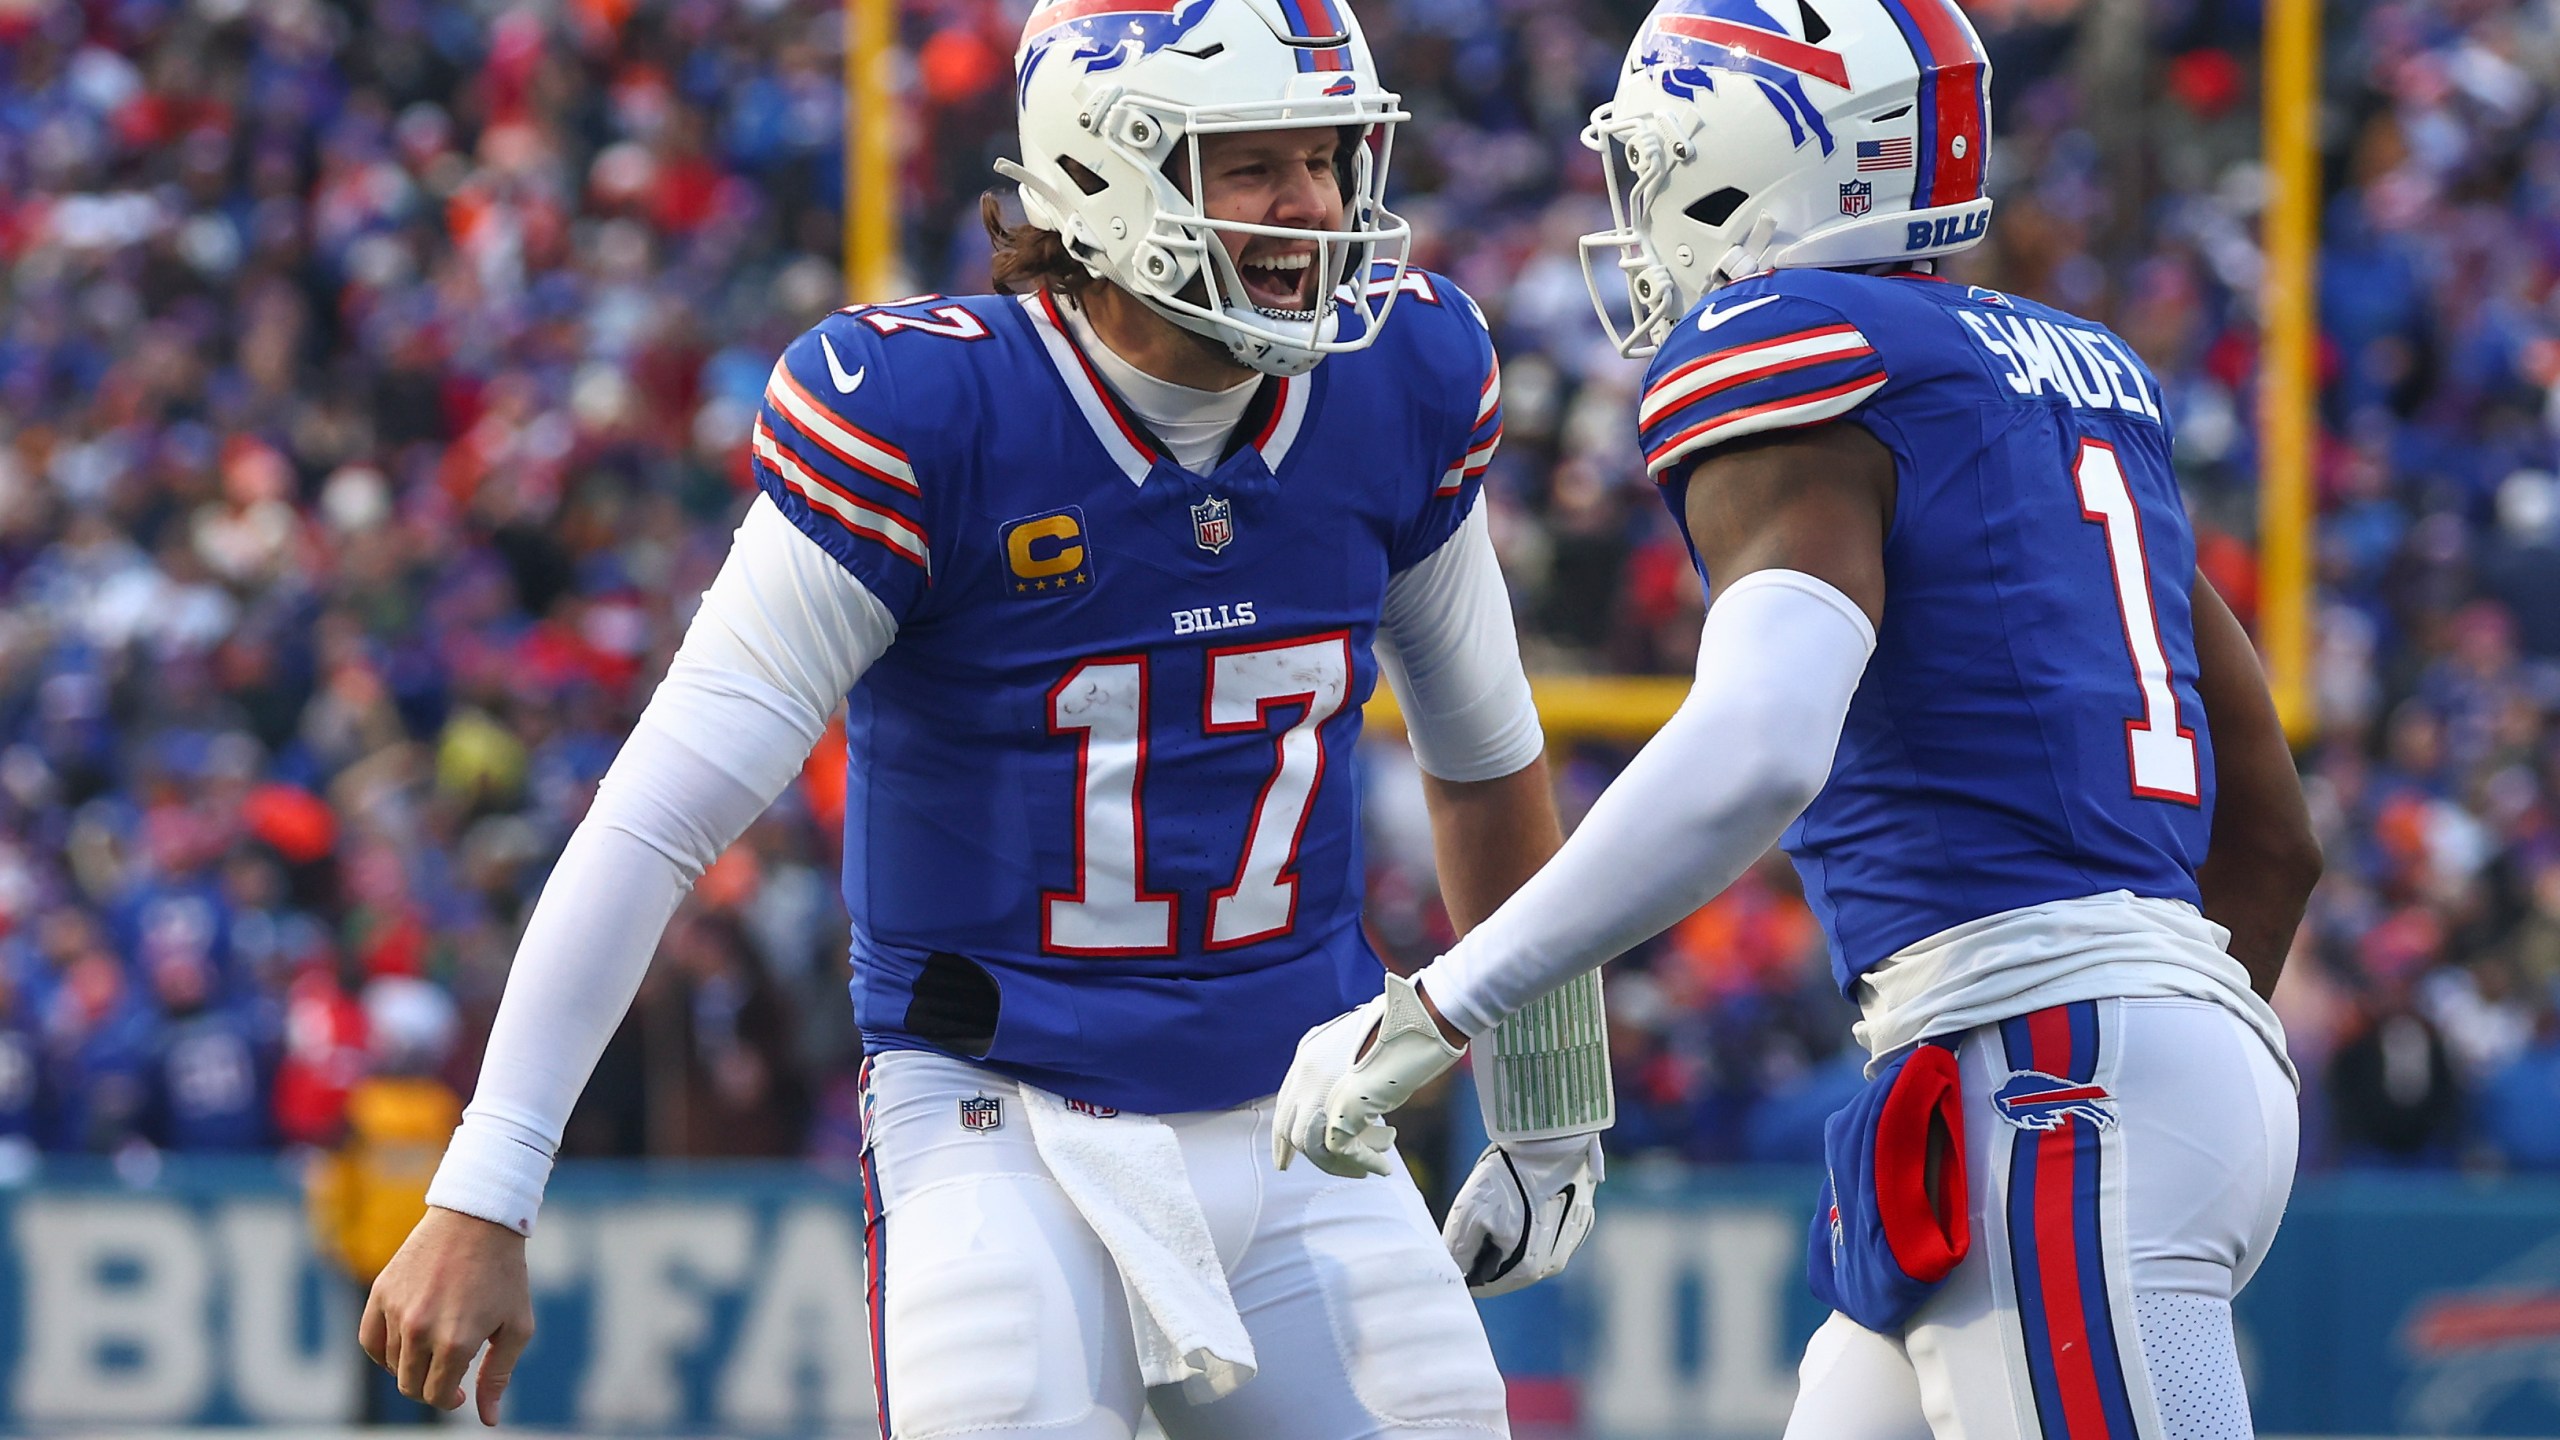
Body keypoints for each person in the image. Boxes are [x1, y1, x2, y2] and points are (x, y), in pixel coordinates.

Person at [358, 0, 1614, 1433]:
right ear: (1106, 172)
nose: (1313, 203)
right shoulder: (932, 417)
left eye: (1325, 155)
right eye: (1253, 162)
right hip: (1003, 1124)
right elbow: (658, 818)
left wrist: (1548, 1092)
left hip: (1306, 1112)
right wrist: (487, 1184)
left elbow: (1486, 767)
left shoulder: (1397, 381)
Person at [1274, 1, 2323, 1436]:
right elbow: (2276, 840)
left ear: (1765, 155)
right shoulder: (2079, 378)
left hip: (2051, 1072)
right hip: (2096, 1057)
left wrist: (1456, 999)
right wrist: (2178, 1059)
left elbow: (1763, 741)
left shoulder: (1804, 345)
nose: (1638, 216)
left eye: (1655, 166)